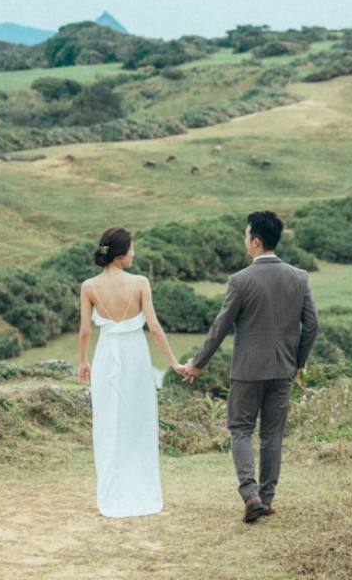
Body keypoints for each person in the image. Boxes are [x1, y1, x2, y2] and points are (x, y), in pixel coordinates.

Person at [180, 210, 319, 523]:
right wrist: (298, 362)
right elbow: (312, 326)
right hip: (283, 369)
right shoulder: (299, 277)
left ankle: (250, 494)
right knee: (273, 434)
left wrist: (197, 363)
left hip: (246, 370)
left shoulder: (240, 280)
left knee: (240, 429)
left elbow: (220, 326)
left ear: (256, 241)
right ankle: (265, 499)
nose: (245, 240)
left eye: (246, 236)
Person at [78, 226, 184, 518]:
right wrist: (173, 362)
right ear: (122, 253)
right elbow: (154, 326)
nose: (134, 253)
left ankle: (112, 490)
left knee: (109, 421)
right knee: (138, 420)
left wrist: (83, 362)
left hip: (106, 355)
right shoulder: (140, 282)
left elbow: (86, 330)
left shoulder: (89, 286)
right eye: (132, 249)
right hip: (135, 354)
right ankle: (141, 488)